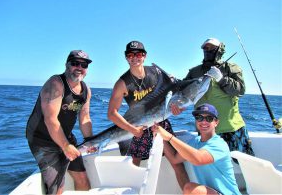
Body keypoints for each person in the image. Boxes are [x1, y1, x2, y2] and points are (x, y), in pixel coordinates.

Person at [107, 40, 189, 189]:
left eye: (138, 54)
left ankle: (189, 192)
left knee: (176, 161)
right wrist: (132, 130)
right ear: (126, 57)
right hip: (139, 126)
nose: (135, 57)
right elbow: (112, 114)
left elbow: (176, 91)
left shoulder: (156, 73)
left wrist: (177, 107)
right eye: (130, 54)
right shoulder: (122, 83)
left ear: (144, 56)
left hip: (161, 123)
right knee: (134, 165)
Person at [26, 50, 94, 195]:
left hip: (65, 136)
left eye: (84, 65)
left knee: (82, 179)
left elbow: (85, 118)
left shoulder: (86, 90)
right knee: (57, 187)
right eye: (75, 63)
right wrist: (66, 146)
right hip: (42, 139)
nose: (79, 68)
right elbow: (50, 120)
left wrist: (90, 141)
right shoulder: (56, 84)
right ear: (66, 65)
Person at [184, 38, 254, 155]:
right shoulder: (194, 72)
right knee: (209, 165)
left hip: (231, 128)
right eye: (205, 48)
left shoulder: (231, 68)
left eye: (211, 48)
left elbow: (240, 90)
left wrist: (222, 79)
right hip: (206, 129)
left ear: (219, 49)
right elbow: (183, 90)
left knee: (243, 162)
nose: (207, 50)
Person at [152, 103, 241, 195]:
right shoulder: (195, 142)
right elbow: (174, 159)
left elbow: (198, 159)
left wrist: (170, 137)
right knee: (190, 189)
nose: (203, 122)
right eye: (199, 118)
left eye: (209, 118)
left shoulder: (219, 144)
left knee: (190, 188)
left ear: (216, 122)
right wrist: (161, 135)